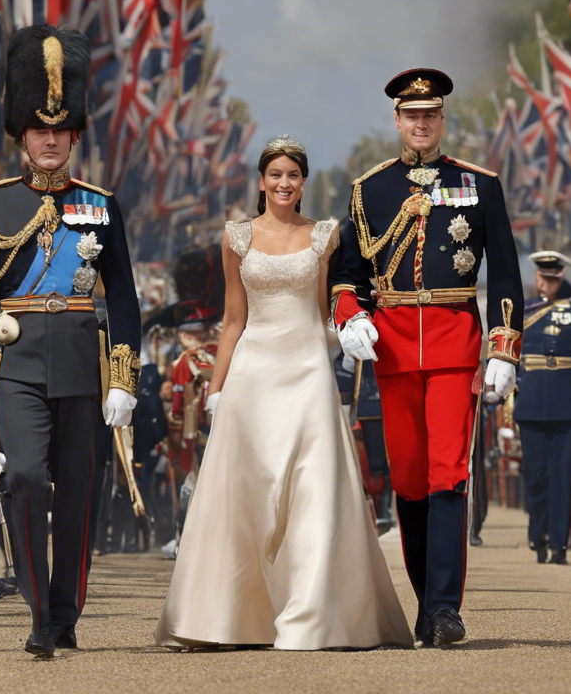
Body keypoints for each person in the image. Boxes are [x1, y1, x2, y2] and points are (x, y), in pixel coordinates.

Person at [155, 136, 410, 650]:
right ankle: (230, 618)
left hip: (308, 369)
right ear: (261, 181)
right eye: (275, 174)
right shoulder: (237, 237)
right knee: (248, 490)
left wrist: (344, 344)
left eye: (293, 174)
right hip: (251, 373)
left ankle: (312, 616)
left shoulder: (325, 235)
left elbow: (321, 313)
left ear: (303, 181)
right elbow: (232, 320)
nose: (284, 183)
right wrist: (217, 390)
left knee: (314, 488)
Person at [0, 25, 141, 657]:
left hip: (83, 366)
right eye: (39, 131)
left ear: (72, 136)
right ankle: (39, 609)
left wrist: (122, 378)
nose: (49, 141)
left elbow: (122, 297)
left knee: (80, 498)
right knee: (28, 479)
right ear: (22, 134)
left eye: (60, 132)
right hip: (14, 365)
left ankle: (65, 611)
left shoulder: (99, 204)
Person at [332, 69, 524, 647]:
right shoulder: (370, 189)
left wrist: (504, 345)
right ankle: (424, 600)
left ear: (443, 121)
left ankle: (444, 607)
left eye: (431, 115)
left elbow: (507, 271)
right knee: (409, 480)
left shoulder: (480, 184)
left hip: (453, 343)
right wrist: (350, 317)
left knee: (448, 474)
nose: (421, 124)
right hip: (391, 346)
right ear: (397, 120)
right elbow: (348, 274)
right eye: (411, 115)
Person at [513, 251, 571, 565]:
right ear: (536, 278)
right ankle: (538, 536)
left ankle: (560, 544)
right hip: (532, 403)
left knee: (564, 477)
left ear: (560, 278)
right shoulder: (522, 310)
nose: (546, 283)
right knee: (536, 476)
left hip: (569, 404)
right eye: (541, 277)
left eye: (552, 278)